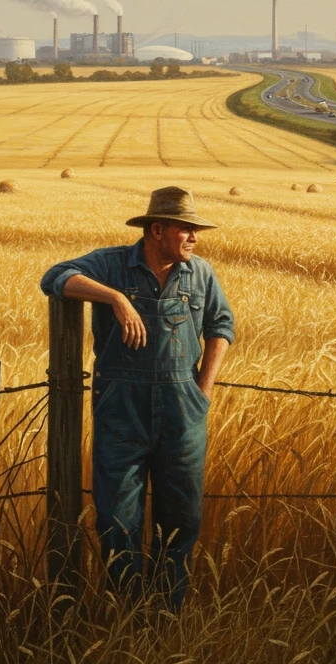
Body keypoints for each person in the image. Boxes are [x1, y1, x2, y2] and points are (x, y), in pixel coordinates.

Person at [40, 186, 234, 610]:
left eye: (195, 230)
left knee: (181, 521)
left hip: (183, 414)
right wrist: (116, 298)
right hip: (121, 414)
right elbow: (54, 277)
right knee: (116, 521)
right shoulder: (111, 264)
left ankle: (165, 615)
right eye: (187, 229)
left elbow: (221, 325)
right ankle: (128, 612)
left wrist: (203, 391)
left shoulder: (200, 273)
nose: (195, 238)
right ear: (157, 229)